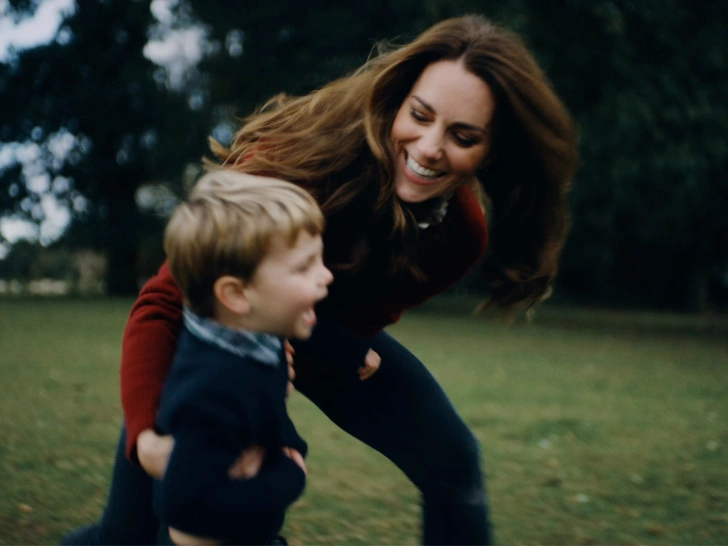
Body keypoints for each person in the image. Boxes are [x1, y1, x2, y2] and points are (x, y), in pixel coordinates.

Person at [61, 14, 577, 546]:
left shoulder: (459, 238)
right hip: (214, 332)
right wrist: (147, 437)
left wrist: (337, 349)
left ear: (493, 150)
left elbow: (346, 322)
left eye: (463, 136)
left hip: (311, 328)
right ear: (398, 99)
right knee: (127, 535)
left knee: (453, 460)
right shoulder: (298, 165)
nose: (428, 147)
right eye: (420, 116)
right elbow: (167, 303)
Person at [153, 170, 332, 544]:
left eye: (320, 259)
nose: (326, 276)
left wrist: (288, 449)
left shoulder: (258, 346)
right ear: (236, 295)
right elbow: (184, 505)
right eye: (304, 267)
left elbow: (268, 419)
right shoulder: (214, 387)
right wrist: (288, 477)